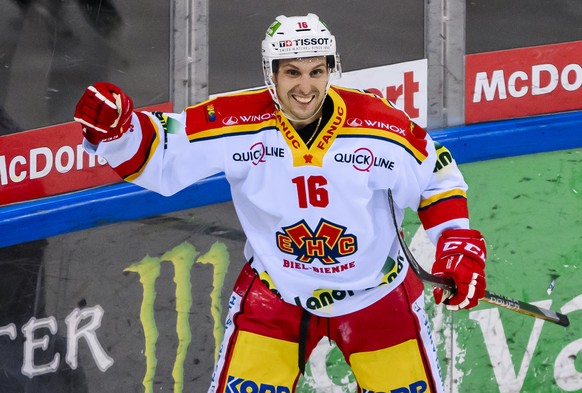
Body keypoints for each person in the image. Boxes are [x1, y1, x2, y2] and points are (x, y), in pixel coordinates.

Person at [74, 13, 486, 393]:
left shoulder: (381, 126)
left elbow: (436, 179)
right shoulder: (235, 120)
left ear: (331, 71)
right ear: (270, 75)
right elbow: (162, 155)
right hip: (275, 300)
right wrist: (119, 131)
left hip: (377, 299)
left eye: (316, 71)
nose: (306, 87)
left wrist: (456, 243)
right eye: (292, 72)